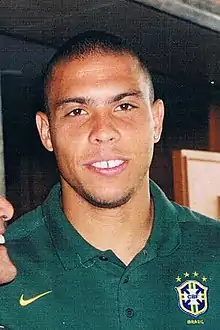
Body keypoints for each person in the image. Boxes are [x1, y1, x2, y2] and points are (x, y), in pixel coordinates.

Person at [1, 30, 220, 330]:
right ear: (46, 132)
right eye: (77, 111)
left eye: (124, 107)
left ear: (156, 121)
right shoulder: (8, 269)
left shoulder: (214, 251)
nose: (103, 131)